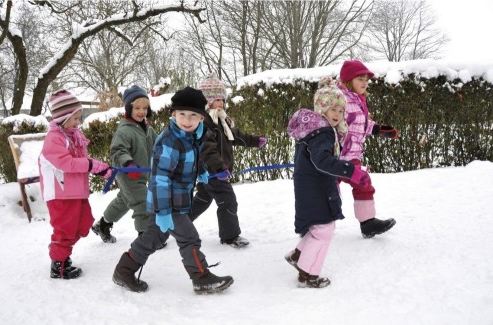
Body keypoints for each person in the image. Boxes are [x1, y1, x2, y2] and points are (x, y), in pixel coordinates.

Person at [112, 86, 234, 294]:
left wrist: (202, 172)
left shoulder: (192, 136)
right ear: (174, 114)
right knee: (189, 238)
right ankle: (201, 277)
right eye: (182, 114)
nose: (187, 120)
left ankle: (123, 271)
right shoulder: (170, 141)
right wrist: (164, 211)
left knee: (154, 238)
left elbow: (194, 159)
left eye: (193, 115)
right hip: (168, 202)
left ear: (202, 118)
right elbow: (160, 179)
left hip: (178, 198)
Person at [284, 78, 372, 288]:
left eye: (341, 110)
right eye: (332, 108)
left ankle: (298, 255)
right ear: (321, 109)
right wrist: (351, 171)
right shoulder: (322, 132)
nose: (337, 114)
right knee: (324, 229)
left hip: (310, 185)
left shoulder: (316, 129)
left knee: (318, 227)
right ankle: (307, 273)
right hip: (316, 187)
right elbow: (322, 161)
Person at [39, 89, 112, 279]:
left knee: (84, 224)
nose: (78, 122)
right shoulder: (54, 138)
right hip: (61, 194)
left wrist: (102, 169)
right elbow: (65, 163)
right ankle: (59, 266)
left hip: (76, 192)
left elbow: (81, 163)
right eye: (75, 118)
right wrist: (90, 165)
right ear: (62, 118)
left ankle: (62, 252)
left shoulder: (71, 136)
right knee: (65, 229)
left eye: (79, 117)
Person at [188, 73, 266, 248]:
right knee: (228, 200)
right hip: (213, 171)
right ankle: (230, 236)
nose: (221, 103)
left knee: (202, 199)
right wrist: (218, 168)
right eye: (217, 100)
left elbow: (236, 136)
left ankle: (180, 222)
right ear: (207, 102)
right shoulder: (205, 123)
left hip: (215, 172)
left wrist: (255, 141)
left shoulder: (222, 120)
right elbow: (207, 149)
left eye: (222, 99)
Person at [91, 85, 168, 248]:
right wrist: (128, 163)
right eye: (137, 107)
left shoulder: (146, 127)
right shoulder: (125, 130)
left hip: (141, 174)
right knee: (142, 204)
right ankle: (146, 238)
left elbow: (158, 143)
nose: (142, 111)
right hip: (128, 174)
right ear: (128, 108)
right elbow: (118, 150)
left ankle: (102, 225)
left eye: (145, 108)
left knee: (124, 201)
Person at [337, 60, 397, 238]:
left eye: (366, 79)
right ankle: (312, 225)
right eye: (360, 78)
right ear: (348, 80)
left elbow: (360, 124)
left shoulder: (358, 100)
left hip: (351, 156)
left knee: (363, 183)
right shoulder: (340, 99)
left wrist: (379, 129)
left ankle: (368, 223)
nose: (364, 82)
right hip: (334, 156)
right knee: (325, 192)